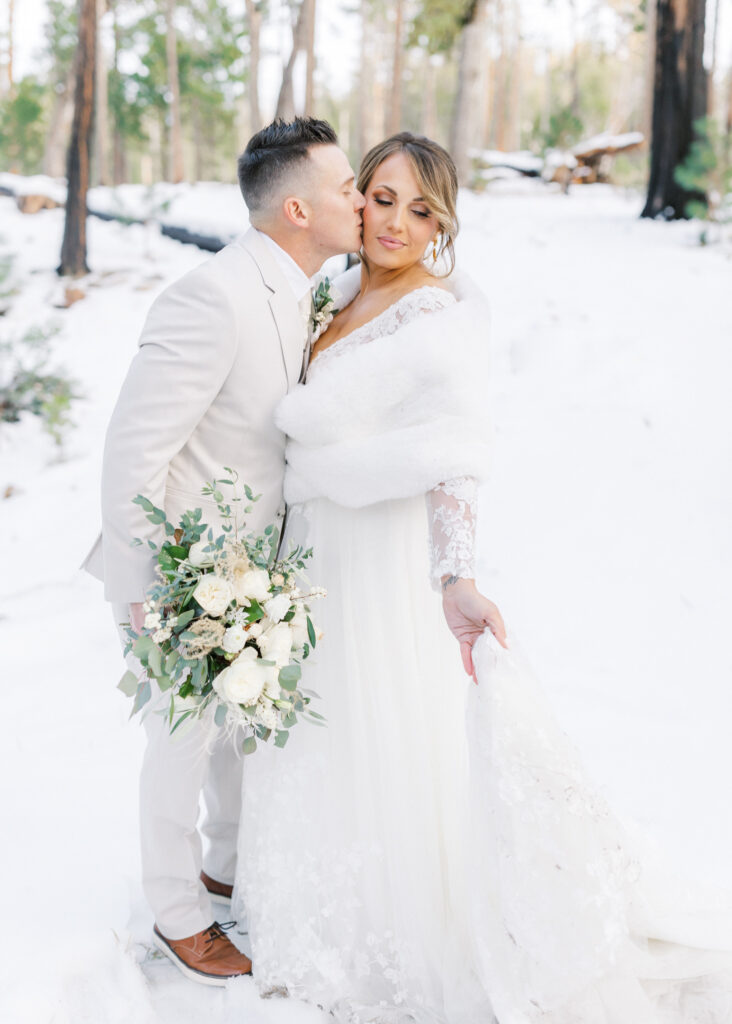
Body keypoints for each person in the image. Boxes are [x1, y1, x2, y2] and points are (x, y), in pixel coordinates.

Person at [234, 132, 732, 1022]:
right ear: (357, 199)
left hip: (380, 556)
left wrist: (455, 577)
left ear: (444, 224)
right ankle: (316, 915)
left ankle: (401, 927)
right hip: (317, 551)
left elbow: (453, 455)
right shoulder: (339, 289)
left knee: (384, 731)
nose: (394, 223)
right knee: (320, 730)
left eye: (421, 210)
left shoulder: (436, 317)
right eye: (381, 198)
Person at [81, 117, 365, 986]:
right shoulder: (211, 295)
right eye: (346, 187)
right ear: (295, 208)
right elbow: (136, 453)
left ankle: (224, 872)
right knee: (181, 739)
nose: (358, 200)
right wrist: (148, 586)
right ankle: (177, 912)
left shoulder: (309, 287)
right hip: (179, 576)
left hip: (257, 574)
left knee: (239, 738)